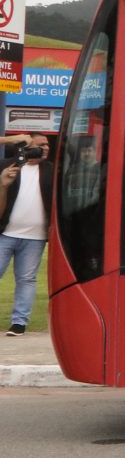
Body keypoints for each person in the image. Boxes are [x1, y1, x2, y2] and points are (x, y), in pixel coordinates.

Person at [0, 131, 53, 336]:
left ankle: (19, 323)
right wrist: (3, 186)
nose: (45, 148)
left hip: (35, 238)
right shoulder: (8, 167)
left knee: (27, 279)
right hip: (6, 234)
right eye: (40, 145)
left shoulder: (52, 171)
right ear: (25, 148)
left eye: (47, 144)